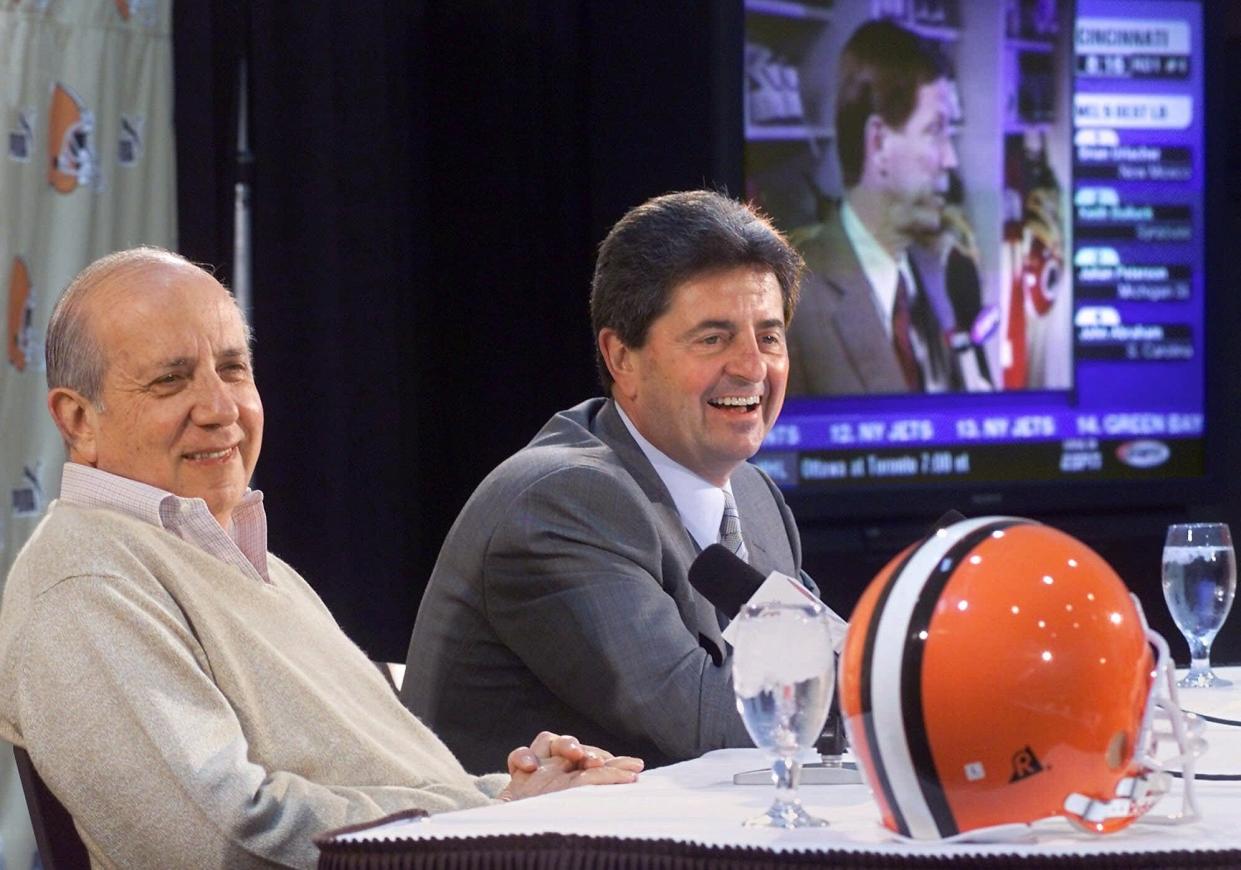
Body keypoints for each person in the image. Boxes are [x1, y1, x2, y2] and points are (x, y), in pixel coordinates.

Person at [0, 248, 641, 869]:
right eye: (170, 380)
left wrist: (512, 791)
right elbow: (215, 842)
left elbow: (387, 781)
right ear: (78, 420)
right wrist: (487, 819)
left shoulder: (249, 564)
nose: (221, 410)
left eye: (232, 369)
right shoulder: (85, 582)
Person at [403, 190, 814, 773]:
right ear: (622, 358)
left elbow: (825, 664)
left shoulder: (755, 496)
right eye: (714, 338)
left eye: (769, 337)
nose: (753, 367)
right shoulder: (561, 502)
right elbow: (704, 724)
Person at [786, 19, 964, 395]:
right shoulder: (792, 305)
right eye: (936, 131)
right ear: (879, 143)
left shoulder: (941, 272)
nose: (950, 159)